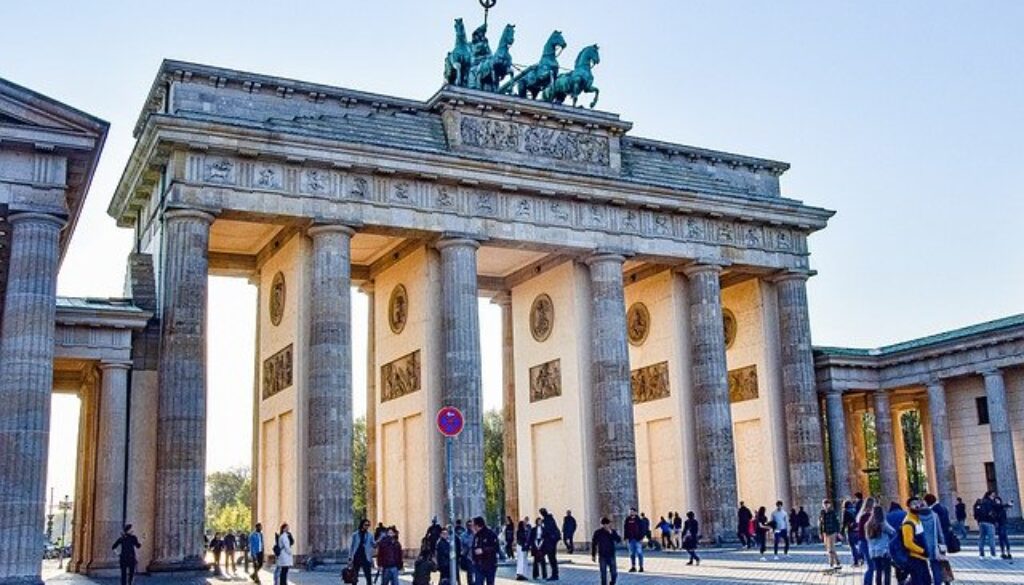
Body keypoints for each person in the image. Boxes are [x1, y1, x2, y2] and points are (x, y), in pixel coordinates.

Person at [899, 498, 934, 585]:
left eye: (918, 504)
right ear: (909, 507)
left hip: (921, 558)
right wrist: (923, 551)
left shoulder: (918, 520)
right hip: (914, 558)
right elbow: (908, 543)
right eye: (914, 504)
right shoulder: (908, 522)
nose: (917, 506)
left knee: (926, 581)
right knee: (920, 581)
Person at [915, 496, 945, 585]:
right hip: (933, 546)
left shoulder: (916, 517)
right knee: (936, 568)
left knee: (923, 569)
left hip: (921, 546)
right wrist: (942, 544)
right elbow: (939, 532)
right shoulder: (934, 515)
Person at [864, 504, 895, 585]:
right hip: (884, 551)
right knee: (887, 571)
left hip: (873, 552)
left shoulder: (867, 524)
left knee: (878, 571)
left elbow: (867, 538)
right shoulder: (882, 523)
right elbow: (892, 531)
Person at [591, 516, 622, 585]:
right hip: (602, 555)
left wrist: (611, 533)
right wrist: (593, 555)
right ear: (602, 525)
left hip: (611, 555)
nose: (606, 526)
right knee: (603, 574)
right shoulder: (598, 532)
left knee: (614, 573)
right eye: (604, 524)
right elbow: (594, 544)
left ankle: (612, 582)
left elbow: (618, 540)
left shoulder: (612, 531)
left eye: (607, 524)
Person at [471, 517, 499, 585]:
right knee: (478, 583)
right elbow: (473, 547)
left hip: (490, 564)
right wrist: (473, 559)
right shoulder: (476, 535)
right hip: (478, 565)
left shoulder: (490, 534)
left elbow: (496, 548)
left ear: (477, 525)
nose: (472, 527)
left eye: (473, 525)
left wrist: (483, 550)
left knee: (490, 582)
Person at [349, 519, 377, 585]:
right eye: (366, 525)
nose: (367, 526)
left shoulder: (370, 535)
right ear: (362, 525)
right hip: (357, 556)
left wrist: (377, 543)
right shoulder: (355, 534)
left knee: (368, 576)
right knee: (354, 576)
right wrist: (350, 557)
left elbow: (374, 544)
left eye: (368, 525)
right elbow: (352, 546)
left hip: (366, 557)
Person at [819, 499, 842, 572]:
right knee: (829, 548)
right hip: (825, 533)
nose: (825, 505)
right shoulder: (822, 512)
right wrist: (820, 533)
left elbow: (837, 522)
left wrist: (838, 532)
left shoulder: (833, 512)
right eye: (824, 504)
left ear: (829, 504)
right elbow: (820, 524)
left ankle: (831, 564)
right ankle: (838, 562)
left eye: (827, 504)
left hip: (832, 532)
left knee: (831, 549)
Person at [855, 497, 878, 568]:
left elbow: (860, 531)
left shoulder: (861, 516)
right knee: (873, 566)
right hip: (873, 541)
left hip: (864, 541)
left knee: (870, 565)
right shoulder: (873, 516)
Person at [540, 508, 561, 580]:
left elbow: (547, 531)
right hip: (551, 541)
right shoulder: (549, 519)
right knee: (552, 558)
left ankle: (554, 575)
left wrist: (542, 534)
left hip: (550, 542)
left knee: (551, 558)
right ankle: (554, 574)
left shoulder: (547, 520)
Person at [974, 492, 997, 558]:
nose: (993, 497)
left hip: (981, 522)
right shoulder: (990, 502)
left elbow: (976, 513)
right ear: (989, 495)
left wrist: (978, 520)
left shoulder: (980, 502)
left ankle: (981, 554)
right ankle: (993, 554)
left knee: (981, 538)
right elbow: (993, 510)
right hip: (989, 522)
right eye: (993, 496)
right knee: (991, 539)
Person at [623, 507, 644, 572]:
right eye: (630, 512)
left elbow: (642, 529)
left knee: (639, 553)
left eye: (632, 511)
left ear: (635, 512)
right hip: (630, 539)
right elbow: (625, 529)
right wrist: (625, 538)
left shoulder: (639, 520)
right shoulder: (627, 520)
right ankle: (633, 566)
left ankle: (641, 567)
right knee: (632, 554)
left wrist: (641, 538)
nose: (631, 513)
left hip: (638, 539)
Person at [993, 495, 1013, 560]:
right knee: (1002, 539)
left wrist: (1008, 504)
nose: (997, 502)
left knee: (1004, 539)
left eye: (998, 500)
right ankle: (1004, 553)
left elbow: (1007, 507)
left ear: (1000, 501)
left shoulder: (1001, 507)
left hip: (1003, 524)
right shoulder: (997, 507)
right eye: (996, 501)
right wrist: (1008, 504)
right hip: (999, 525)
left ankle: (1007, 553)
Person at [529, 516, 547, 580]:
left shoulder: (544, 529)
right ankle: (535, 575)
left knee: (543, 561)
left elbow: (545, 537)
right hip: (535, 543)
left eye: (540, 521)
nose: (539, 522)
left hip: (542, 544)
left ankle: (544, 575)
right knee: (535, 561)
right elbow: (531, 537)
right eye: (538, 521)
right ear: (536, 522)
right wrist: (531, 545)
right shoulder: (533, 529)